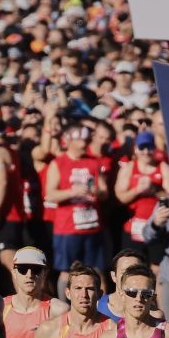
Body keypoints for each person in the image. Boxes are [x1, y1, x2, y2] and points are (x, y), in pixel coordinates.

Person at [44, 123, 108, 298]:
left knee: (97, 270)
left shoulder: (94, 162)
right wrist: (72, 191)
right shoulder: (59, 163)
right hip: (67, 227)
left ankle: (101, 308)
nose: (83, 144)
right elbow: (50, 194)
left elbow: (104, 192)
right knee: (67, 271)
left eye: (85, 140)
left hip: (92, 225)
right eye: (79, 139)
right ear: (69, 141)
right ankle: (65, 307)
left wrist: (97, 191)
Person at [0, 118, 26, 270]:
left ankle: (23, 293)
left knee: (8, 258)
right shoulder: (10, 151)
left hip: (6, 214)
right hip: (13, 213)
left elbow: (1, 182)